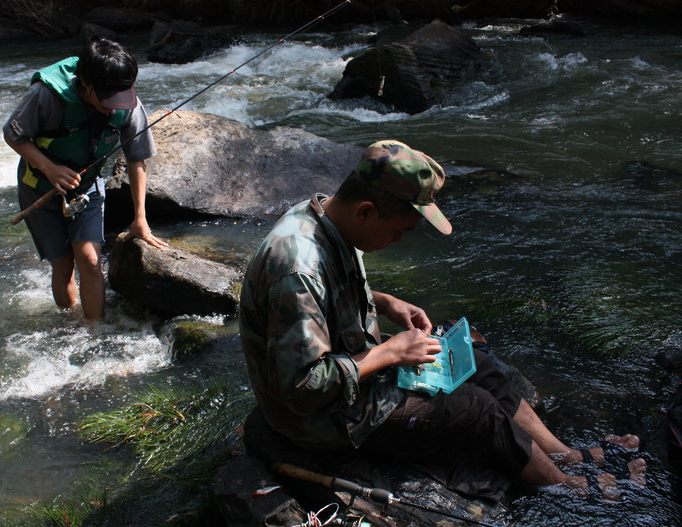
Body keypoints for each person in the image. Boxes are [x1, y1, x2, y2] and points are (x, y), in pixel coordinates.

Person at [239, 140, 646, 501]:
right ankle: (563, 484)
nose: (399, 241)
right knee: (476, 408)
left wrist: (381, 301)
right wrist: (390, 352)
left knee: (469, 356)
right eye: (399, 231)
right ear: (366, 210)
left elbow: (322, 299)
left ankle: (564, 454)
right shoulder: (298, 267)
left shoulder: (327, 214)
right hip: (317, 421)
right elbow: (300, 388)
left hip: (350, 371)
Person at [3, 37, 167, 322]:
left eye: (120, 97)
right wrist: (50, 168)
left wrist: (140, 218)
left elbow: (136, 159)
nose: (115, 107)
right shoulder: (46, 95)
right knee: (64, 264)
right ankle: (70, 325)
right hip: (38, 188)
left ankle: (94, 331)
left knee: (90, 262)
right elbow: (13, 134)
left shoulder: (127, 102)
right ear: (86, 85)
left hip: (87, 188)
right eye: (107, 99)